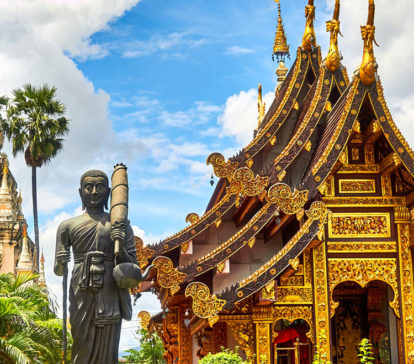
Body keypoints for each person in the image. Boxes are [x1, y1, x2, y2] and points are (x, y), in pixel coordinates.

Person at [54, 170, 137, 364]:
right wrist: (61, 260)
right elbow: (58, 271)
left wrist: (120, 245)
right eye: (88, 187)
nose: (93, 192)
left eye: (99, 187)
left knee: (108, 348)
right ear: (80, 192)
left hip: (109, 289)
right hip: (80, 290)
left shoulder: (120, 225)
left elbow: (132, 267)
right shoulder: (67, 226)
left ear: (108, 193)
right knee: (81, 344)